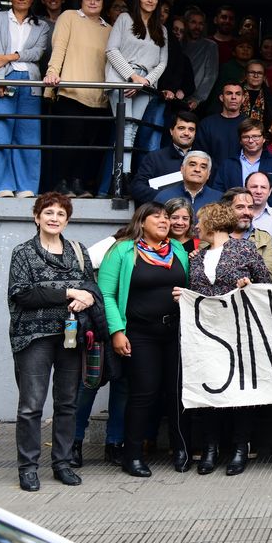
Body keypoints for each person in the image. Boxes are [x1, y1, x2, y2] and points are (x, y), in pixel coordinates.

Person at [7, 192, 102, 491]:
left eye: (60, 214)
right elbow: (23, 293)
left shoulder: (78, 250)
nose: (54, 218)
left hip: (69, 336)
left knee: (67, 404)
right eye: (48, 212)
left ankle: (61, 463)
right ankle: (28, 467)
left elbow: (90, 286)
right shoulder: (23, 252)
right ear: (37, 217)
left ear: (67, 220)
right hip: (33, 337)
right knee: (31, 406)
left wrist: (86, 296)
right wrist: (69, 293)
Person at [100, 202, 191, 477]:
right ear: (142, 221)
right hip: (139, 333)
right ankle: (133, 455)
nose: (165, 221)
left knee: (178, 393)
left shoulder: (176, 250)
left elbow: (187, 286)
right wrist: (117, 331)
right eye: (158, 217)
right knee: (144, 393)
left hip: (175, 332)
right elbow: (106, 294)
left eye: (167, 217)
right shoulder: (123, 250)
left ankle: (181, 449)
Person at [186, 201, 270, 476]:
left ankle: (238, 448)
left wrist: (249, 285)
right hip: (206, 333)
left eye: (200, 221)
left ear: (211, 222)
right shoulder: (195, 258)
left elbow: (266, 284)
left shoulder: (244, 248)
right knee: (210, 389)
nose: (196, 226)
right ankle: (210, 448)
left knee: (239, 391)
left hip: (239, 330)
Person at [42, 0, 114, 198]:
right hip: (70, 91)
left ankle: (78, 184)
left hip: (98, 96)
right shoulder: (70, 17)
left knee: (88, 145)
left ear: (103, 3)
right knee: (69, 140)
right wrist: (52, 72)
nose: (92, 2)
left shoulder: (108, 29)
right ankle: (61, 183)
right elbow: (59, 47)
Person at [0, 0, 51, 197]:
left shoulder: (41, 25)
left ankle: (26, 187)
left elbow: (37, 53)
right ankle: (0, 187)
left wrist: (11, 56)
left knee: (28, 137)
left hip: (30, 82)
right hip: (2, 78)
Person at [105, 0, 168, 171]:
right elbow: (111, 49)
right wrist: (132, 77)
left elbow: (162, 63)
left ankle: (125, 174)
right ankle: (121, 177)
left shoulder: (161, 29)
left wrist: (145, 82)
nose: (150, 0)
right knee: (124, 128)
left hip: (146, 83)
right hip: (121, 77)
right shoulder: (125, 19)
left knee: (132, 130)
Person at [209, 118, 272, 210]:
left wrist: (260, 212)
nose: (251, 141)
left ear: (264, 138)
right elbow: (219, 193)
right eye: (246, 137)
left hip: (268, 219)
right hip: (233, 218)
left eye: (255, 136)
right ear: (240, 140)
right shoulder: (227, 165)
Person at [152, 150, 222, 213]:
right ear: (182, 169)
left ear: (208, 174)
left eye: (203, 167)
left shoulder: (219, 199)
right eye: (192, 165)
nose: (197, 169)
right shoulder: (164, 196)